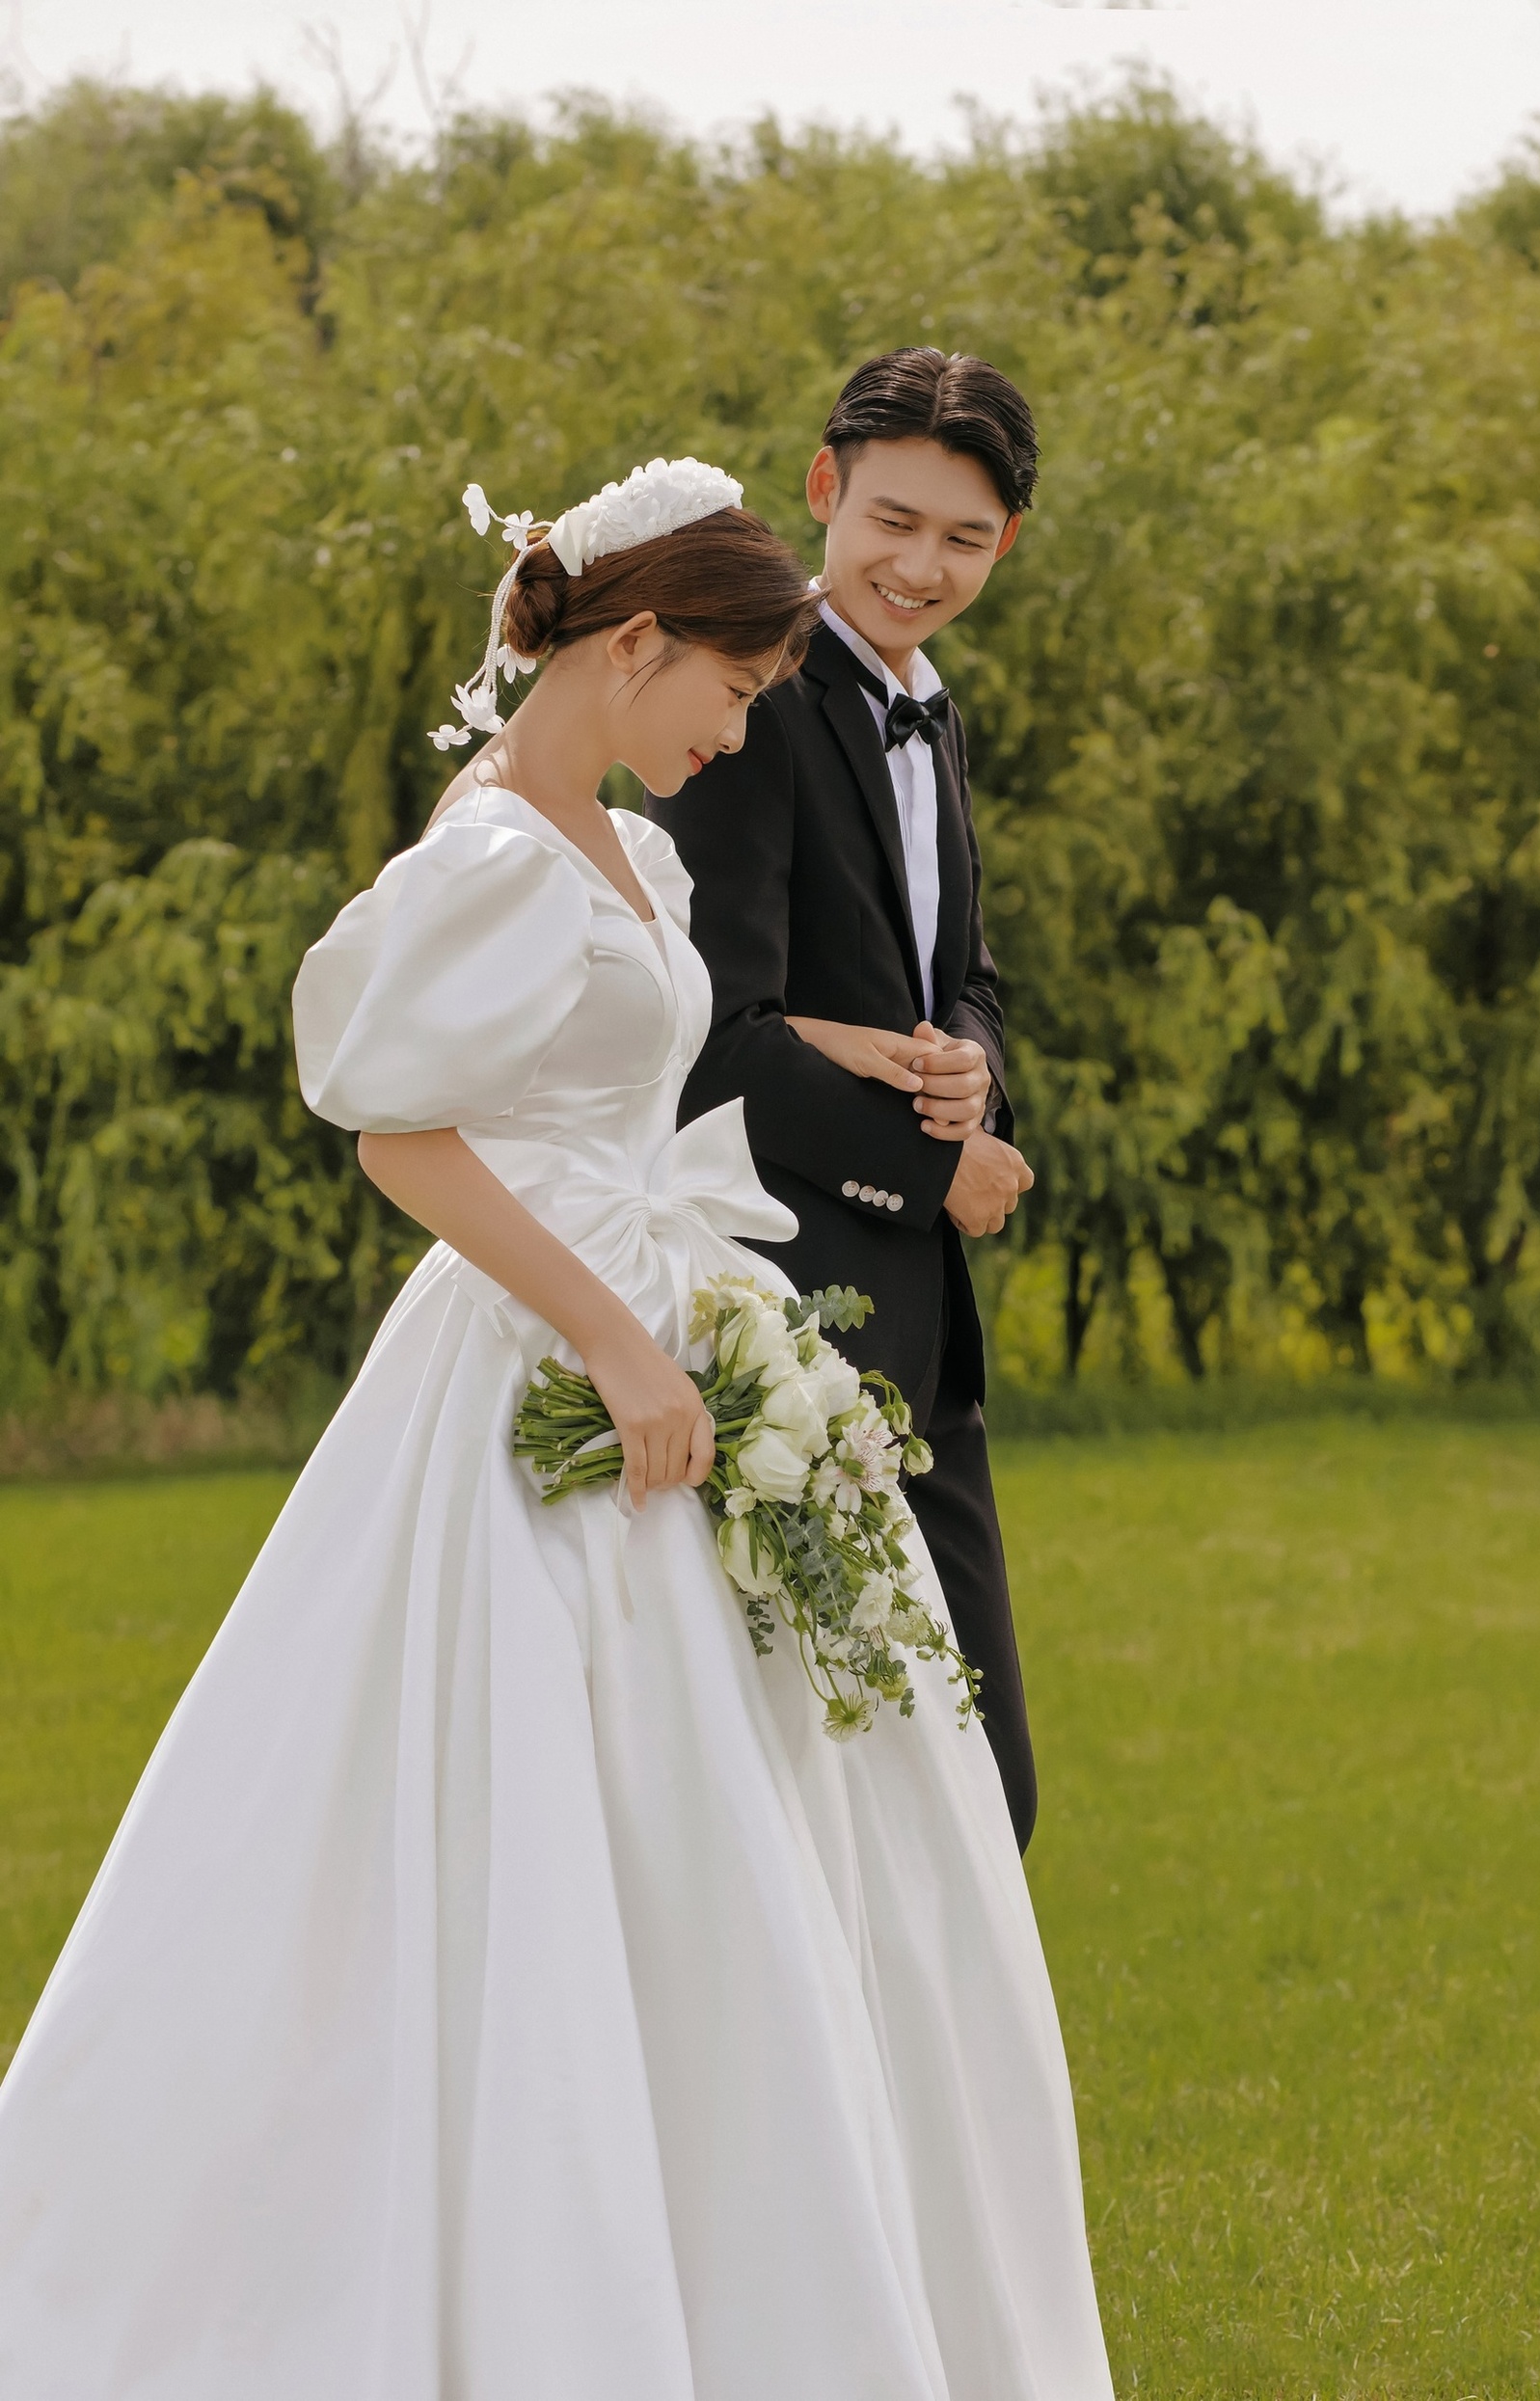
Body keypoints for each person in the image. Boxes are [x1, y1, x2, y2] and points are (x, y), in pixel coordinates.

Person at [0, 459, 1113, 2400]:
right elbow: (403, 1135)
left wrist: (835, 1063)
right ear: (636, 641)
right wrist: (614, 1341)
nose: (738, 735)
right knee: (543, 1797)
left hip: (676, 1313)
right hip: (552, 1353)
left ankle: (747, 2254)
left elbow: (647, 1059)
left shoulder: (632, 849)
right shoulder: (498, 852)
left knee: (761, 1811)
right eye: (734, 693)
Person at [649, 347, 1040, 1850]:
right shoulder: (739, 704)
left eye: (962, 537)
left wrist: (973, 1067)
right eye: (892, 520)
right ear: (823, 488)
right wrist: (932, 1168)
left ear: (1004, 542)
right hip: (789, 1312)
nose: (919, 567)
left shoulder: (932, 712)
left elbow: (965, 976)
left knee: (982, 1800)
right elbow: (707, 1037)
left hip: (923, 1342)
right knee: (851, 1820)